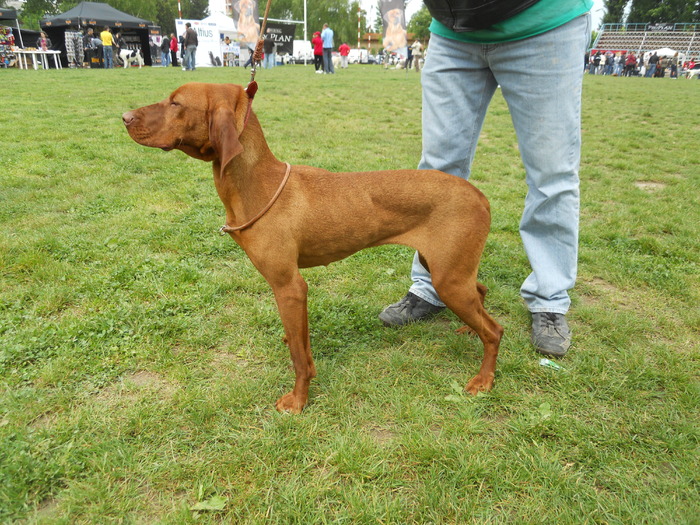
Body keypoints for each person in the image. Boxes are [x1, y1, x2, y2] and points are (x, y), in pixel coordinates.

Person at [378, 0, 592, 358]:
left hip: (544, 25)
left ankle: (549, 299)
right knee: (436, 172)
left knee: (551, 173)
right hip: (452, 34)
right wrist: (394, 17)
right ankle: (431, 285)